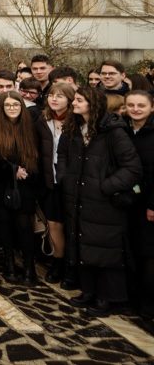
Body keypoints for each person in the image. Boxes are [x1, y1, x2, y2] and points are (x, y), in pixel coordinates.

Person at [59, 87, 141, 316]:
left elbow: (132, 168)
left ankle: (108, 298)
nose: (74, 103)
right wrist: (65, 179)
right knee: (82, 245)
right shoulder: (74, 128)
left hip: (104, 203)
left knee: (105, 251)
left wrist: (105, 186)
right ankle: (89, 291)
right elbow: (63, 156)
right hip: (78, 198)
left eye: (79, 100)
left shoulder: (114, 132)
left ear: (92, 104)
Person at [0, 91, 43, 284]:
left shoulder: (31, 129)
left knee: (24, 227)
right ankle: (9, 264)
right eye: (7, 105)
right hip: (1, 185)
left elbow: (39, 155)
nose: (12, 108)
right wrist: (12, 171)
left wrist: (26, 171)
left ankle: (29, 268)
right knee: (4, 226)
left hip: (26, 185)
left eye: (15, 105)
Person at [35, 82, 74, 285]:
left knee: (72, 225)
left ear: (70, 99)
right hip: (50, 179)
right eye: (51, 95)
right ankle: (58, 261)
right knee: (53, 223)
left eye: (60, 96)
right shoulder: (44, 119)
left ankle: (72, 265)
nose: (54, 99)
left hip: (72, 181)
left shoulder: (76, 121)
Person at [123, 89, 154, 319]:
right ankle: (132, 300)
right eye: (131, 105)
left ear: (151, 107)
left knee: (148, 254)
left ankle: (148, 306)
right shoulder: (124, 130)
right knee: (131, 251)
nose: (135, 109)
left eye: (141, 105)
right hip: (128, 200)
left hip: (148, 203)